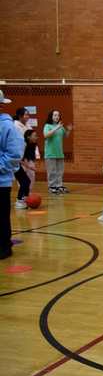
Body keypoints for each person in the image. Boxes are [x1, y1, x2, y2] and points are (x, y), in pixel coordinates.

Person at [0, 91, 24, 259]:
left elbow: (15, 155)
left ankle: (3, 247)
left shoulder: (8, 126)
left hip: (1, 182)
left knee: (1, 217)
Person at [43, 109, 72, 195]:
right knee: (52, 171)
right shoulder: (47, 126)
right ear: (51, 117)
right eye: (55, 115)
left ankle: (59, 186)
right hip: (50, 153)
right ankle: (52, 186)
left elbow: (65, 135)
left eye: (58, 115)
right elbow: (46, 135)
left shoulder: (60, 126)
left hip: (59, 153)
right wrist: (56, 128)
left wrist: (69, 130)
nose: (57, 117)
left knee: (60, 171)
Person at [12, 108, 31, 209]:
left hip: (18, 159)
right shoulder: (15, 126)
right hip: (12, 161)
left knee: (26, 181)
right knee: (24, 181)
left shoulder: (27, 126)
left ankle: (24, 198)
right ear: (20, 116)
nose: (27, 116)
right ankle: (19, 200)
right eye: (25, 115)